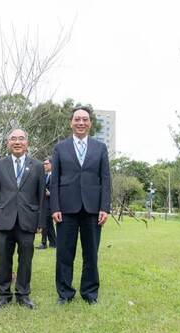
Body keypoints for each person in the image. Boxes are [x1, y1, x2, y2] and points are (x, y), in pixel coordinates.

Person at [50, 106, 111, 306]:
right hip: (66, 209)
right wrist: (55, 207)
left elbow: (105, 179)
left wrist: (105, 207)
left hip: (93, 209)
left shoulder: (100, 148)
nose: (81, 123)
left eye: (85, 119)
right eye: (77, 119)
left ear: (91, 123)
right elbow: (55, 180)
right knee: (64, 254)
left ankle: (90, 293)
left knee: (91, 253)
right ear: (71, 122)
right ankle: (65, 293)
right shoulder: (60, 148)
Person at [0, 128, 46, 309]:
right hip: (5, 219)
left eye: (21, 139)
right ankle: (4, 295)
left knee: (25, 260)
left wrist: (41, 221)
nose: (17, 142)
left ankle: (23, 294)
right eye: (13, 139)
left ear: (27, 143)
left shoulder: (37, 166)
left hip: (28, 219)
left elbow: (41, 196)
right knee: (4, 259)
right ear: (7, 143)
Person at [36, 156, 57, 249]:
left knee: (43, 222)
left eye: (47, 164)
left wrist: (50, 194)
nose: (45, 165)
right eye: (43, 164)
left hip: (50, 203)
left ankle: (44, 243)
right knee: (48, 224)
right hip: (43, 203)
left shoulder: (56, 176)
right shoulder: (44, 176)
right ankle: (53, 242)